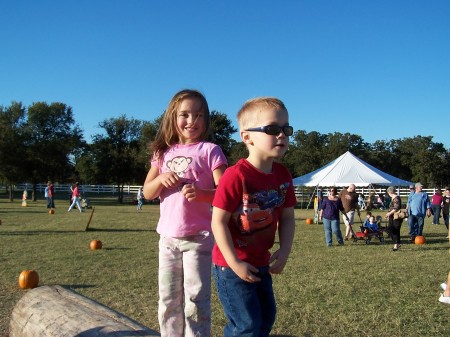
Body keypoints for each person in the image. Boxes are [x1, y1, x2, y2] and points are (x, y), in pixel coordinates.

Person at [142, 89, 227, 337]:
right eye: (185, 115)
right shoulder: (161, 153)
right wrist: (161, 180)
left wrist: (202, 194)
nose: (192, 121)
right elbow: (147, 192)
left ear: (206, 119)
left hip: (199, 239)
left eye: (199, 115)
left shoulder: (211, 151)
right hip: (167, 240)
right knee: (168, 299)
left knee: (196, 300)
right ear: (173, 117)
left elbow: (225, 193)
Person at [211, 97, 296, 337]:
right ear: (247, 137)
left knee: (266, 319)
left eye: (286, 129)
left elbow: (288, 217)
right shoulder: (235, 175)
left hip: (261, 262)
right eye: (272, 129)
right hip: (232, 265)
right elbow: (218, 222)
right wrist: (235, 263)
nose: (282, 135)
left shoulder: (283, 175)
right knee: (246, 326)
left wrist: (285, 249)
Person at [385, 186, 403, 251]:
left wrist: (389, 213)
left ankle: (396, 245)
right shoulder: (393, 198)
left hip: (396, 217)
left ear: (390, 192)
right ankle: (397, 243)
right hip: (392, 217)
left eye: (388, 192)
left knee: (395, 230)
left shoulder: (396, 198)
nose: (388, 194)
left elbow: (396, 208)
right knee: (391, 230)